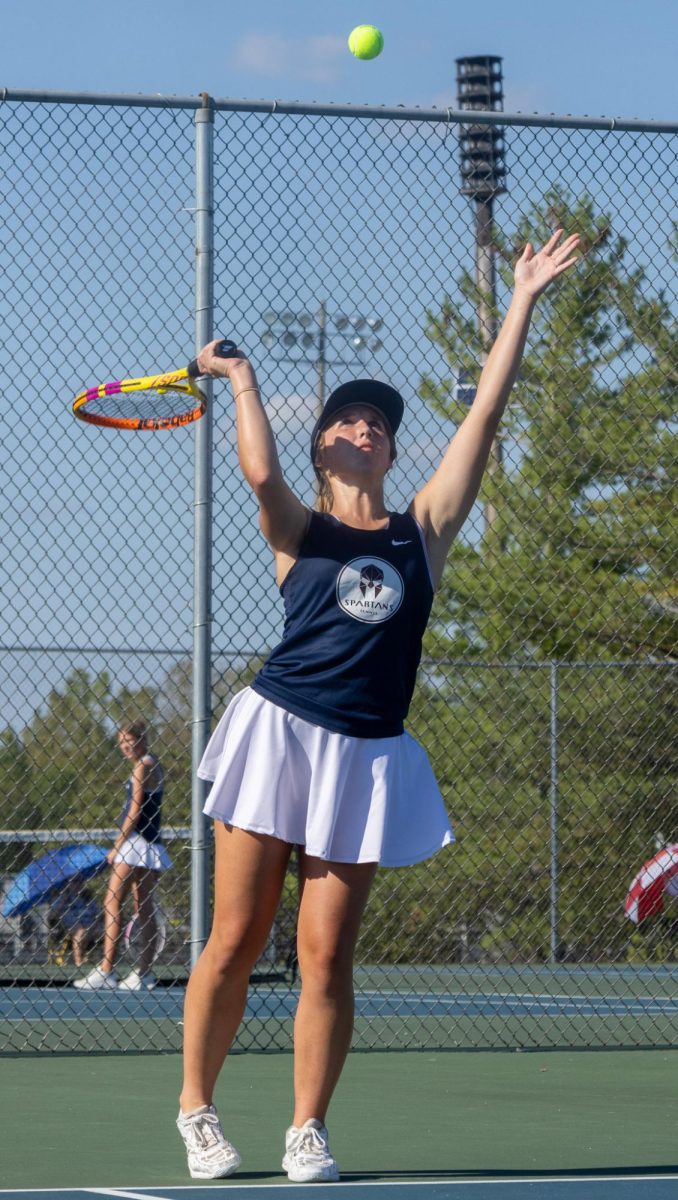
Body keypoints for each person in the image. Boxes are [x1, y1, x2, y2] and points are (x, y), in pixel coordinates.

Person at [176, 230, 580, 1181]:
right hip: (278, 735)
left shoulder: (422, 534)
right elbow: (260, 477)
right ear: (323, 446)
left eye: (380, 424)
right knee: (234, 937)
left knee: (327, 957)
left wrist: (521, 296)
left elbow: (485, 412)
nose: (367, 429)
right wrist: (240, 382)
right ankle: (198, 1109)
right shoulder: (299, 528)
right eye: (349, 421)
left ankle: (306, 1129)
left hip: (365, 754)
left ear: (392, 450)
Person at [74, 721, 171, 991]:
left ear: (142, 739)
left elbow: (135, 810)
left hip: (136, 843)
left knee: (112, 903)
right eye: (121, 743)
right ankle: (143, 974)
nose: (125, 747)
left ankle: (107, 970)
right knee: (143, 907)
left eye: (129, 741)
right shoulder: (153, 764)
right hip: (149, 844)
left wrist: (118, 845)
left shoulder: (143, 766)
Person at [48, 878, 101, 967]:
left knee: (105, 930)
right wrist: (64, 899)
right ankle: (78, 961)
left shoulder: (86, 897)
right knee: (81, 932)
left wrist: (96, 923)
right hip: (69, 924)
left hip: (91, 923)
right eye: (75, 882)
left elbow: (97, 912)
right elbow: (53, 915)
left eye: (80, 881)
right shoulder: (63, 896)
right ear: (68, 884)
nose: (79, 884)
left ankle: (104, 961)